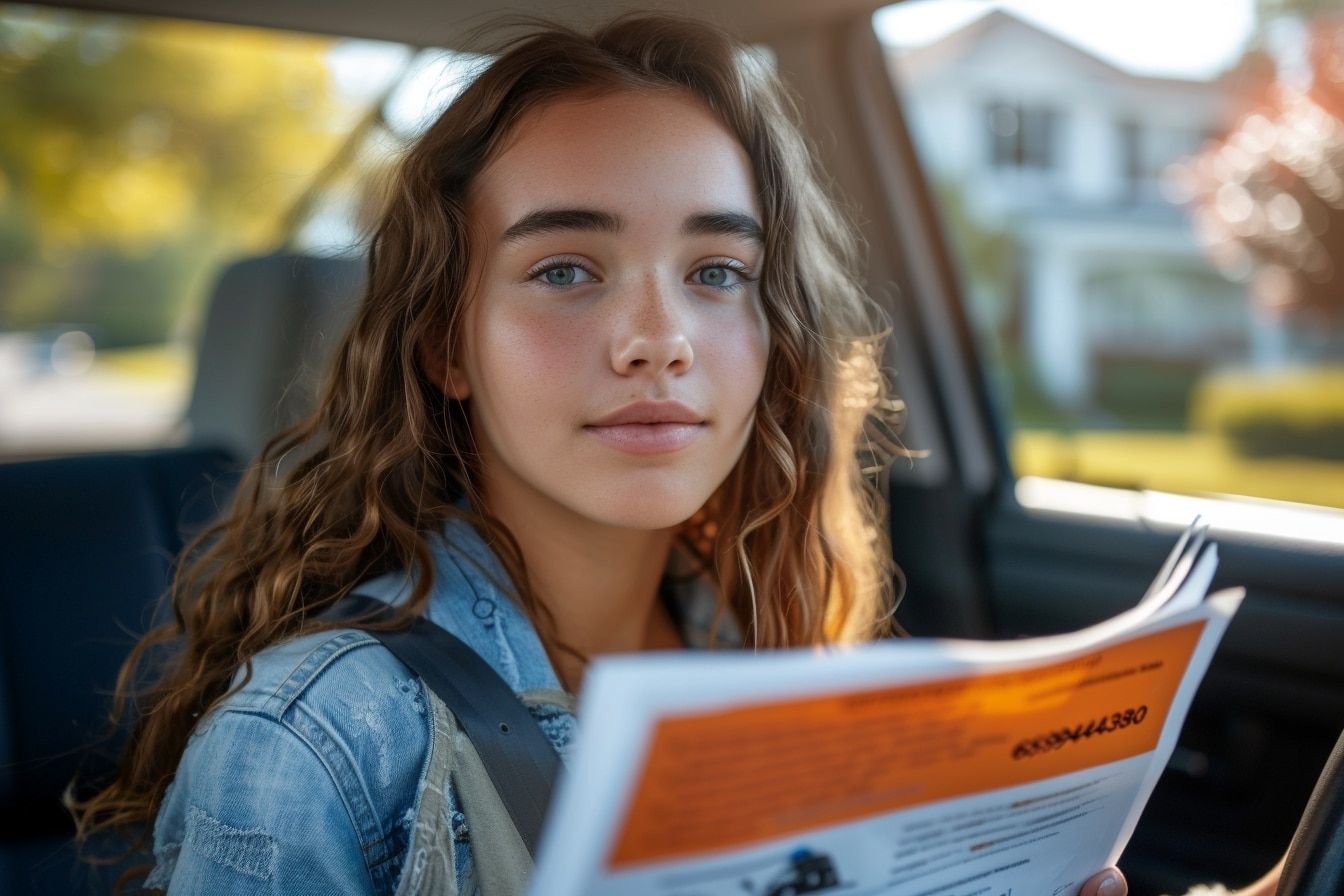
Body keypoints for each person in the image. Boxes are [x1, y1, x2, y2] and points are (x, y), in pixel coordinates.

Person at [69, 13, 1282, 896]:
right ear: (446, 343)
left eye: (716, 273)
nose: (658, 340)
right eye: (566, 270)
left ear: (775, 331)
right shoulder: (314, 740)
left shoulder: (773, 644)